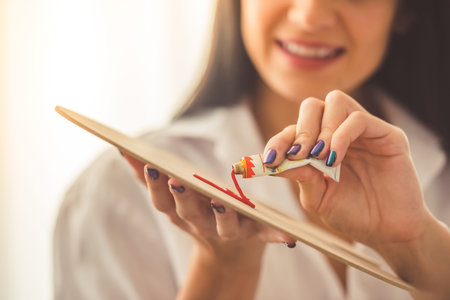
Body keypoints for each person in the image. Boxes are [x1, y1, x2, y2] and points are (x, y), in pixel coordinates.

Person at [54, 0, 450, 299]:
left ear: (406, 11)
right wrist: (223, 272)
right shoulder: (116, 194)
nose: (309, 17)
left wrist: (415, 246)